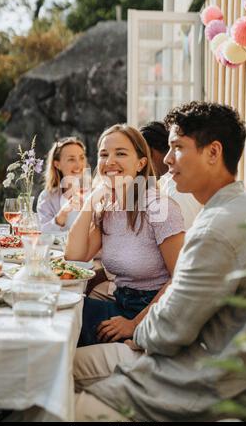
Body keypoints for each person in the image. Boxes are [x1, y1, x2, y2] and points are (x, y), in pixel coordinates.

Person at [73, 102, 246, 422]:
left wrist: (135, 330)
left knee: (51, 402)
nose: (168, 159)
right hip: (201, 358)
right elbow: (76, 255)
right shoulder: (235, 210)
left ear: (213, 152)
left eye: (177, 147)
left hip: (193, 379)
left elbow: (170, 330)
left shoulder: (214, 228)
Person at [65, 124, 185, 346]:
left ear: (141, 163)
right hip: (122, 304)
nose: (109, 161)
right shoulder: (109, 207)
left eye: (120, 153)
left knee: (70, 331)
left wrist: (135, 324)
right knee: (62, 314)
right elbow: (74, 256)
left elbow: (181, 279)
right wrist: (90, 202)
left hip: (153, 313)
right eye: (104, 154)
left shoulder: (159, 208)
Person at [140, 121, 201, 230]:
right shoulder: (165, 184)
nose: (139, 166)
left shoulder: (176, 189)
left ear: (150, 152)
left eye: (140, 158)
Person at [37, 137, 88, 233]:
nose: (79, 165)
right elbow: (43, 234)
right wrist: (62, 214)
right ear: (57, 164)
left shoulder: (95, 192)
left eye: (81, 158)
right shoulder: (47, 197)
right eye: (71, 159)